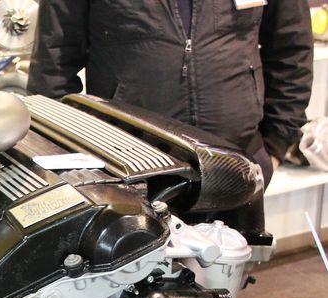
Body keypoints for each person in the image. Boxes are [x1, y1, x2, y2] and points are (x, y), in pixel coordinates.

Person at [27, 0, 314, 193]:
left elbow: (291, 48)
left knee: (233, 263)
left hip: (237, 164)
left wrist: (276, 145)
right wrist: (70, 164)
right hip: (131, 172)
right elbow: (53, 64)